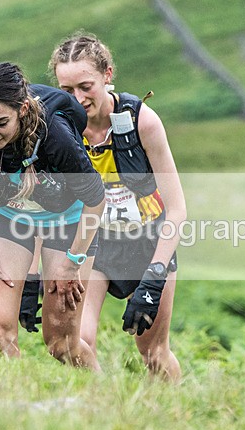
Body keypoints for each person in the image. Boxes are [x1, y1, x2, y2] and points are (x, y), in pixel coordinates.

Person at [22, 33, 186, 380]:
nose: (78, 99)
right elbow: (43, 209)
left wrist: (155, 276)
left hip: (147, 245)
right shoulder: (56, 130)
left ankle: (176, 405)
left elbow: (177, 209)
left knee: (153, 353)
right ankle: (104, 399)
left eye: (86, 87)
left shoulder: (142, 122)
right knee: (73, 342)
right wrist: (32, 276)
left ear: (107, 74)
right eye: (66, 91)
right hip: (92, 244)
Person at [0, 62, 105, 368]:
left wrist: (73, 263)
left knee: (62, 344)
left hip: (67, 221)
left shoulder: (55, 135)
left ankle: (104, 393)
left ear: (23, 109)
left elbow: (96, 200)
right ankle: (11, 397)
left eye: (0, 122)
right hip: (7, 217)